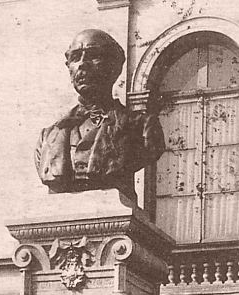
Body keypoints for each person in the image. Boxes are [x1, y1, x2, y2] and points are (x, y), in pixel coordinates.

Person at [35, 29, 164, 196]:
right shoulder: (47, 136)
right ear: (69, 68)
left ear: (115, 67)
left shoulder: (141, 127)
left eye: (93, 55)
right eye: (75, 57)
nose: (82, 64)